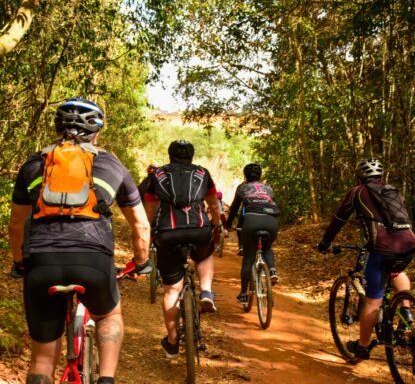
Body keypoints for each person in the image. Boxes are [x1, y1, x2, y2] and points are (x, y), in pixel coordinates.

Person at [8, 97, 151, 384]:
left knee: (43, 358)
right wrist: (141, 261)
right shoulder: (112, 163)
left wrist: (19, 263)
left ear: (57, 126)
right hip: (93, 260)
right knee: (109, 315)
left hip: (41, 261)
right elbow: (141, 225)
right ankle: (107, 379)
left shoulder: (35, 164)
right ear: (97, 131)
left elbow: (15, 225)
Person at [317, 158, 415, 360]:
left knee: (373, 301)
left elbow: (339, 220)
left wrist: (325, 243)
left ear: (359, 176)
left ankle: (362, 347)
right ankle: (406, 311)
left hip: (381, 248)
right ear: (380, 176)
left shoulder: (357, 192)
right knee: (397, 272)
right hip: (408, 243)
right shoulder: (392, 190)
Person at [144, 140, 221, 359]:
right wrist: (216, 224)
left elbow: (149, 207)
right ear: (191, 155)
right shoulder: (202, 173)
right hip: (198, 229)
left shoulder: (157, 175)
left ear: (170, 155)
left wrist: (149, 230)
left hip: (167, 232)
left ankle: (172, 340)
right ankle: (206, 291)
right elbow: (214, 204)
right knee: (205, 255)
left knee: (171, 291)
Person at [224, 163, 280, 304]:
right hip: (271, 221)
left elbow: (234, 209)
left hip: (252, 220)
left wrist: (227, 226)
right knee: (267, 247)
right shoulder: (268, 188)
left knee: (248, 258)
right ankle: (272, 270)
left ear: (245, 176)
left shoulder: (242, 188)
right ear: (260, 176)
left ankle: (243, 294)